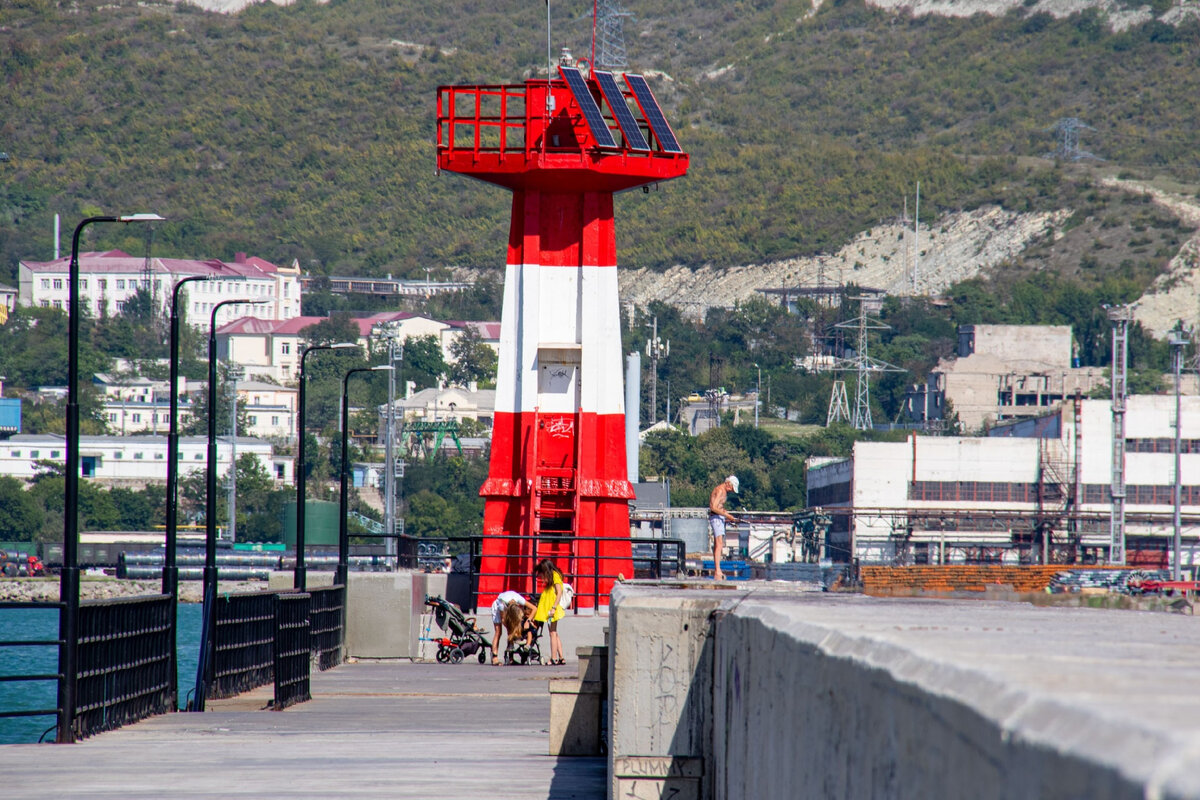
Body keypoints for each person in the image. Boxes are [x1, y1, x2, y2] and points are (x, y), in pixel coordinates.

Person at [533, 558, 566, 665]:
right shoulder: (552, 576)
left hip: (552, 610)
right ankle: (561, 657)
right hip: (550, 609)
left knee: (552, 633)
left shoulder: (555, 575)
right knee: (555, 633)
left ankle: (553, 658)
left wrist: (554, 608)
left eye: (542, 573)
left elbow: (559, 592)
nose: (542, 576)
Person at [490, 590, 535, 665]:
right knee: (498, 632)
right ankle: (494, 657)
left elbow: (534, 608)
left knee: (512, 629)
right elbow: (503, 620)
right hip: (497, 609)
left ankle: (511, 657)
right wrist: (512, 630)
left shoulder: (518, 598)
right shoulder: (501, 604)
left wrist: (528, 621)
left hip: (509, 608)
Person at [708, 475, 739, 580]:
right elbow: (713, 507)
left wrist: (728, 515)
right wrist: (727, 516)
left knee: (718, 544)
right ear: (728, 483)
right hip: (716, 518)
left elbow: (720, 507)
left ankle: (717, 570)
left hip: (719, 517)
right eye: (731, 488)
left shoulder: (723, 491)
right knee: (719, 543)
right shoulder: (720, 490)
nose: (731, 491)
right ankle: (717, 571)